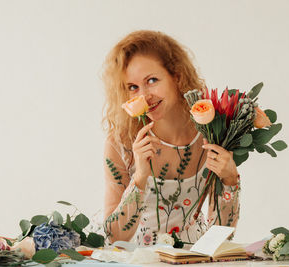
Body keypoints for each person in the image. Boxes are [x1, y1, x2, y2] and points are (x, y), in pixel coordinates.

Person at [101, 30, 240, 246]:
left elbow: (222, 237)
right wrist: (140, 177)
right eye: (133, 87)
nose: (144, 96)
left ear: (177, 76)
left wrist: (230, 181)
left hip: (192, 258)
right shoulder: (122, 143)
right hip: (137, 261)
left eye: (152, 80)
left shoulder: (212, 134)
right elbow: (114, 237)